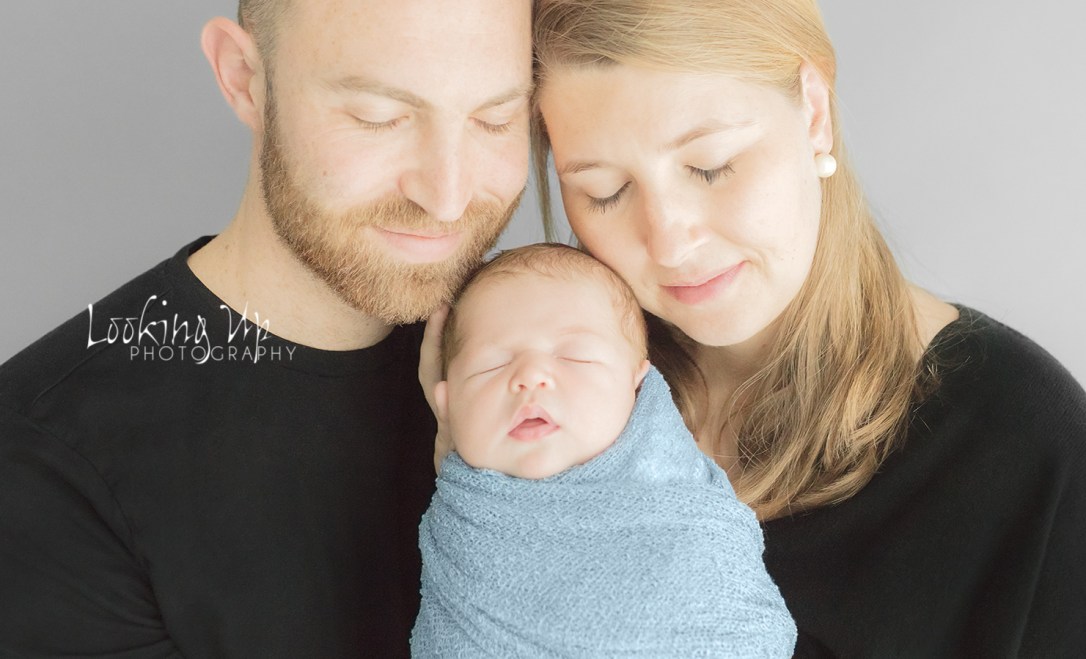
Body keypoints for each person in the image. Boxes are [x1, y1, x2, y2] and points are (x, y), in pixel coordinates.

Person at [512, 0, 1086, 655]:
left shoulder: (1034, 451)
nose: (668, 242)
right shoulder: (528, 394)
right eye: (605, 191)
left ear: (813, 111)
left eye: (711, 165)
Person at [0, 0, 531, 656]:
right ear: (244, 77)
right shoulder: (41, 464)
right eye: (380, 116)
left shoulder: (567, 364)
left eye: (496, 119)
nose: (447, 195)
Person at [413, 243, 796, 657]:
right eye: (491, 365)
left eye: (574, 357)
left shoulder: (683, 517)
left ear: (637, 386)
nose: (530, 376)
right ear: (447, 402)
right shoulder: (459, 520)